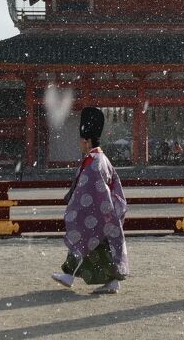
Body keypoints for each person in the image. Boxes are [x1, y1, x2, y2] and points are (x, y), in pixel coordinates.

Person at [52, 107, 129, 294]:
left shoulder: (94, 161)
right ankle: (76, 275)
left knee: (87, 242)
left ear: (87, 141)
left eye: (81, 140)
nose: (79, 143)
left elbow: (90, 188)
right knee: (98, 247)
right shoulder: (100, 158)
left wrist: (79, 205)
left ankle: (80, 276)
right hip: (103, 209)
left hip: (98, 210)